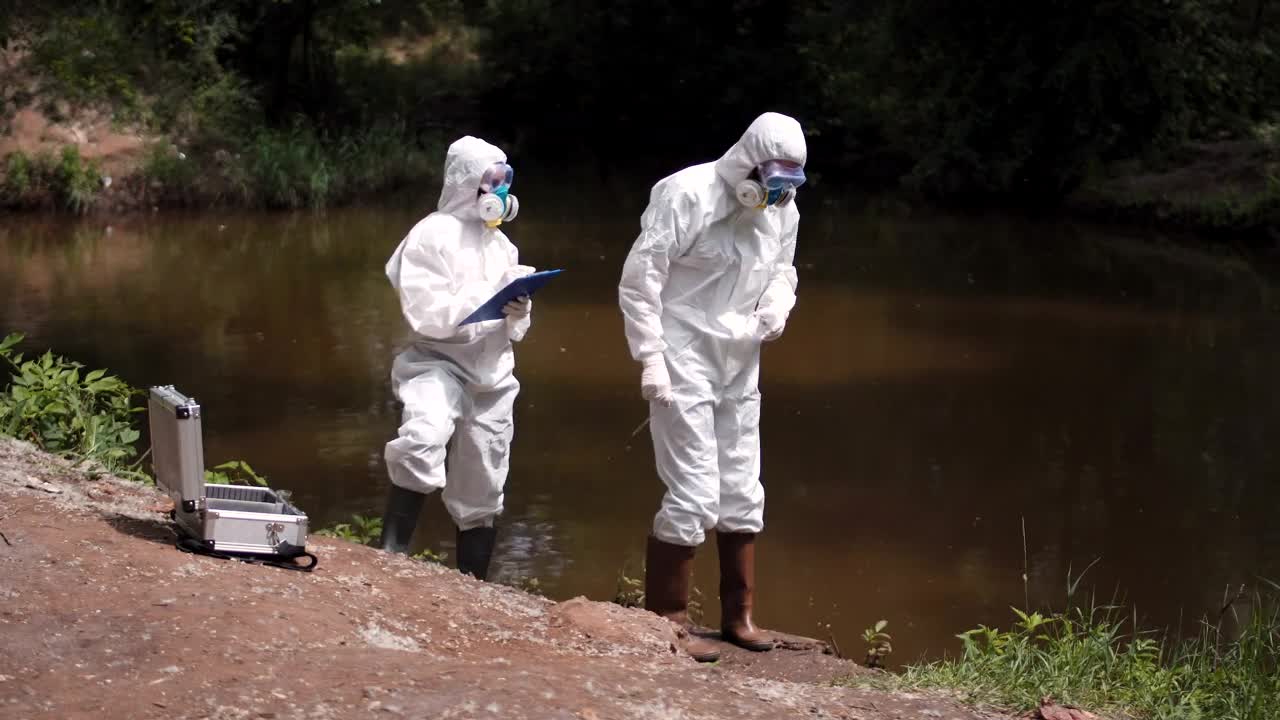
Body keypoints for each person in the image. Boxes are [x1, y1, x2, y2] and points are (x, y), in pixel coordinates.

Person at [618, 112, 806, 662]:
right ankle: (669, 620)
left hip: (739, 358)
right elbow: (642, 277)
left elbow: (783, 270)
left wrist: (776, 303)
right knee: (694, 489)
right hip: (683, 354)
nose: (778, 196)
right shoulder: (686, 194)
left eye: (791, 184)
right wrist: (650, 356)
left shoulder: (782, 208)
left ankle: (737, 617)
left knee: (743, 488)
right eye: (773, 181)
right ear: (748, 164)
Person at [380, 135, 534, 581]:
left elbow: (514, 326)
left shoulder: (502, 246)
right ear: (468, 181)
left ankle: (473, 585)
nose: (500, 193)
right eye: (491, 181)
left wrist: (518, 309)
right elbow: (427, 312)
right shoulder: (431, 234)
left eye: (505, 181)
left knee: (484, 479)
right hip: (436, 363)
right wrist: (487, 301)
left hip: (492, 375)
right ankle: (388, 560)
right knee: (422, 437)